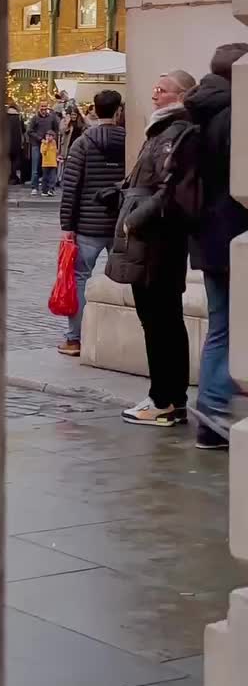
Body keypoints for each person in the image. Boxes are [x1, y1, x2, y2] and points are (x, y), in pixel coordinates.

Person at [107, 70, 199, 427]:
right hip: (152, 237)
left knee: (160, 322)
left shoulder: (176, 132)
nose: (155, 94)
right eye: (154, 87)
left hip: (157, 240)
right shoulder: (161, 130)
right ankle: (169, 397)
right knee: (161, 321)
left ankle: (163, 399)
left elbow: (169, 188)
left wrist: (136, 218)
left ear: (180, 95)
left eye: (162, 89)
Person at [185, 43, 248, 448]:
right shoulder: (233, 115)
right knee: (227, 327)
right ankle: (211, 407)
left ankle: (210, 414)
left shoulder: (200, 110)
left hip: (208, 238)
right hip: (234, 235)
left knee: (221, 326)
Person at [58, 90, 125, 357]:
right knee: (122, 281)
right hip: (119, 221)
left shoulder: (83, 144)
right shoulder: (130, 142)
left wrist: (68, 225)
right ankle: (116, 339)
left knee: (79, 278)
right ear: (118, 110)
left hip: (87, 224)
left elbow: (71, 188)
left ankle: (75, 338)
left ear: (95, 111)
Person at [27, 101, 60, 195]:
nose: (44, 108)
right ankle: (34, 187)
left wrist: (53, 139)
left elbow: (56, 130)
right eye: (42, 106)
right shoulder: (35, 118)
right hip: (37, 145)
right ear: (39, 107)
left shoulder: (52, 118)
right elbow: (29, 131)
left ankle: (47, 188)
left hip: (49, 146)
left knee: (48, 167)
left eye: (45, 106)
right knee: (35, 167)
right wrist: (40, 139)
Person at [6, 99, 25, 186]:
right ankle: (13, 178)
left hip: (6, 142)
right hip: (17, 142)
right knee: (15, 161)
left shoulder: (5, 116)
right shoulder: (19, 117)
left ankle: (8, 177)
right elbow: (23, 129)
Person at [39, 131, 59, 196]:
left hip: (53, 163)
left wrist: (57, 158)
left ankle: (51, 190)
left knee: (52, 178)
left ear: (53, 137)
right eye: (47, 136)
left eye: (50, 136)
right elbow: (43, 152)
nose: (48, 137)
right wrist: (46, 144)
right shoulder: (43, 143)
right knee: (45, 178)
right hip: (45, 164)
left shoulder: (54, 143)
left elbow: (55, 152)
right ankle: (44, 191)